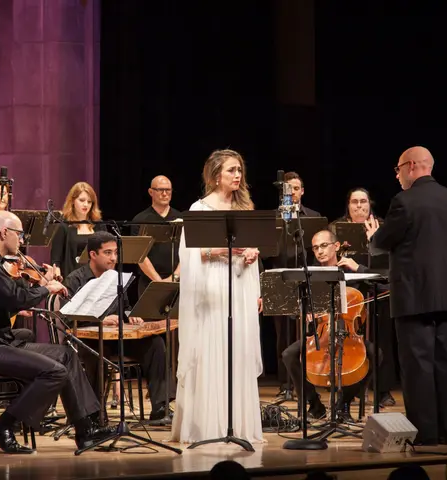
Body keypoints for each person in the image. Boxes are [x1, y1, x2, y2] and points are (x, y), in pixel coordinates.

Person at [0, 211, 114, 454]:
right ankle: (2, 426)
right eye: (19, 234)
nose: (22, 239)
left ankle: (85, 431)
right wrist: (46, 288)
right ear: (4, 232)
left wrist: (35, 288)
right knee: (53, 371)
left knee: (66, 355)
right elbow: (14, 298)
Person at [365, 146, 447, 445]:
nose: (397, 176)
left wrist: (373, 235)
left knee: (418, 367)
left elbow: (383, 241)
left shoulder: (404, 201)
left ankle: (425, 434)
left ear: (410, 166)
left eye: (398, 169)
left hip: (413, 298)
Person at [170, 149, 263, 444]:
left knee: (238, 350)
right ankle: (209, 426)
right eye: (231, 170)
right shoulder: (199, 210)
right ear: (215, 176)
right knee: (213, 349)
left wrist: (252, 252)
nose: (237, 176)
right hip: (212, 289)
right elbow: (190, 255)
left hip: (239, 285)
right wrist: (222, 251)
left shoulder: (245, 207)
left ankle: (237, 425)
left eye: (239, 170)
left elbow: (253, 246)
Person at [63, 231, 173, 420]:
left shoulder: (117, 278)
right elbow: (66, 318)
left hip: (117, 337)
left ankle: (160, 406)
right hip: (87, 340)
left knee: (155, 345)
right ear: (93, 254)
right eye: (107, 253)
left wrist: (132, 317)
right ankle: (94, 413)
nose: (113, 258)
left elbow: (127, 308)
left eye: (115, 252)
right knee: (99, 352)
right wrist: (99, 320)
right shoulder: (75, 279)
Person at [282, 229, 377, 422]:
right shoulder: (308, 276)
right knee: (289, 355)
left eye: (324, 246)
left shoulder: (351, 271)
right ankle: (315, 405)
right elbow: (292, 310)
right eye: (316, 247)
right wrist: (304, 311)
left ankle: (343, 404)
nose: (319, 251)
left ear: (336, 246)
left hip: (348, 335)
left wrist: (359, 269)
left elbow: (384, 284)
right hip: (320, 335)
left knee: (375, 354)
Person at [330, 187, 397, 407]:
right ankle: (351, 386)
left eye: (363, 202)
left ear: (370, 204)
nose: (359, 206)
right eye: (354, 202)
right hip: (349, 294)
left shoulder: (383, 228)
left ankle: (382, 390)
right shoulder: (336, 229)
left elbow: (388, 266)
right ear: (348, 206)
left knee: (382, 340)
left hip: (377, 291)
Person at [272, 171, 321, 399]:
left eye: (296, 188)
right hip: (280, 282)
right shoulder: (275, 217)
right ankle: (285, 385)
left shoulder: (312, 216)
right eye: (288, 188)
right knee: (282, 335)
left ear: (302, 191)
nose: (292, 192)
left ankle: (306, 383)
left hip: (305, 280)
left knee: (305, 334)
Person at [130, 175, 181, 298]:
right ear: (151, 192)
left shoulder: (181, 218)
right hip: (149, 282)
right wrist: (158, 281)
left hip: (178, 280)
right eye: (160, 190)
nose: (165, 194)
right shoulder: (140, 219)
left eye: (168, 190)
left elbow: (187, 251)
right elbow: (140, 256)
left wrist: (173, 278)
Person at [50, 182, 105, 278]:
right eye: (82, 200)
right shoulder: (64, 226)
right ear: (72, 201)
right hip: (72, 280)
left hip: (96, 280)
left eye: (89, 201)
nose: (86, 204)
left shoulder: (99, 225)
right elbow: (56, 261)